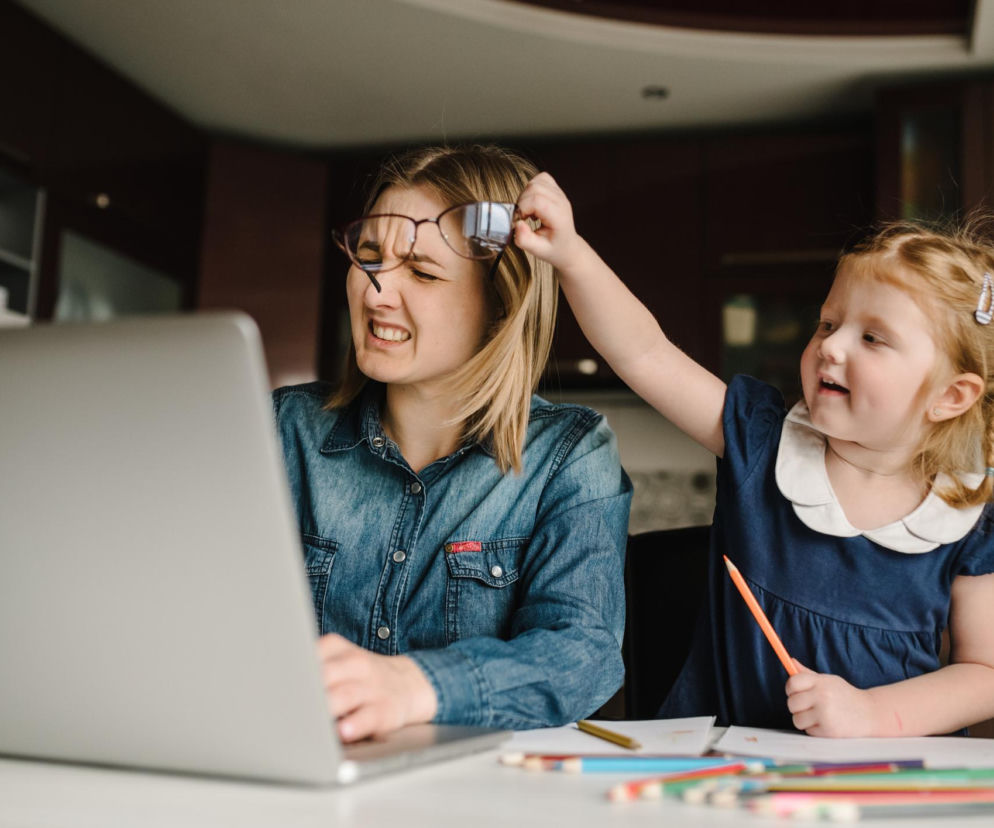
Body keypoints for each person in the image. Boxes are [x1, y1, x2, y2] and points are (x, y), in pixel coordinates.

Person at [513, 172, 994, 737]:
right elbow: (645, 353)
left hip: (882, 773)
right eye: (828, 323)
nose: (830, 346)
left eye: (872, 338)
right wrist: (571, 255)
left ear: (950, 396)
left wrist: (872, 715)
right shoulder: (761, 440)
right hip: (726, 761)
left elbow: (983, 673)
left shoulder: (969, 515)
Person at [272, 146, 632, 743]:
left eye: (422, 272)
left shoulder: (569, 455)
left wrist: (416, 687)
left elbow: (581, 655)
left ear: (500, 306)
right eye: (369, 258)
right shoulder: (284, 429)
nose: (376, 291)